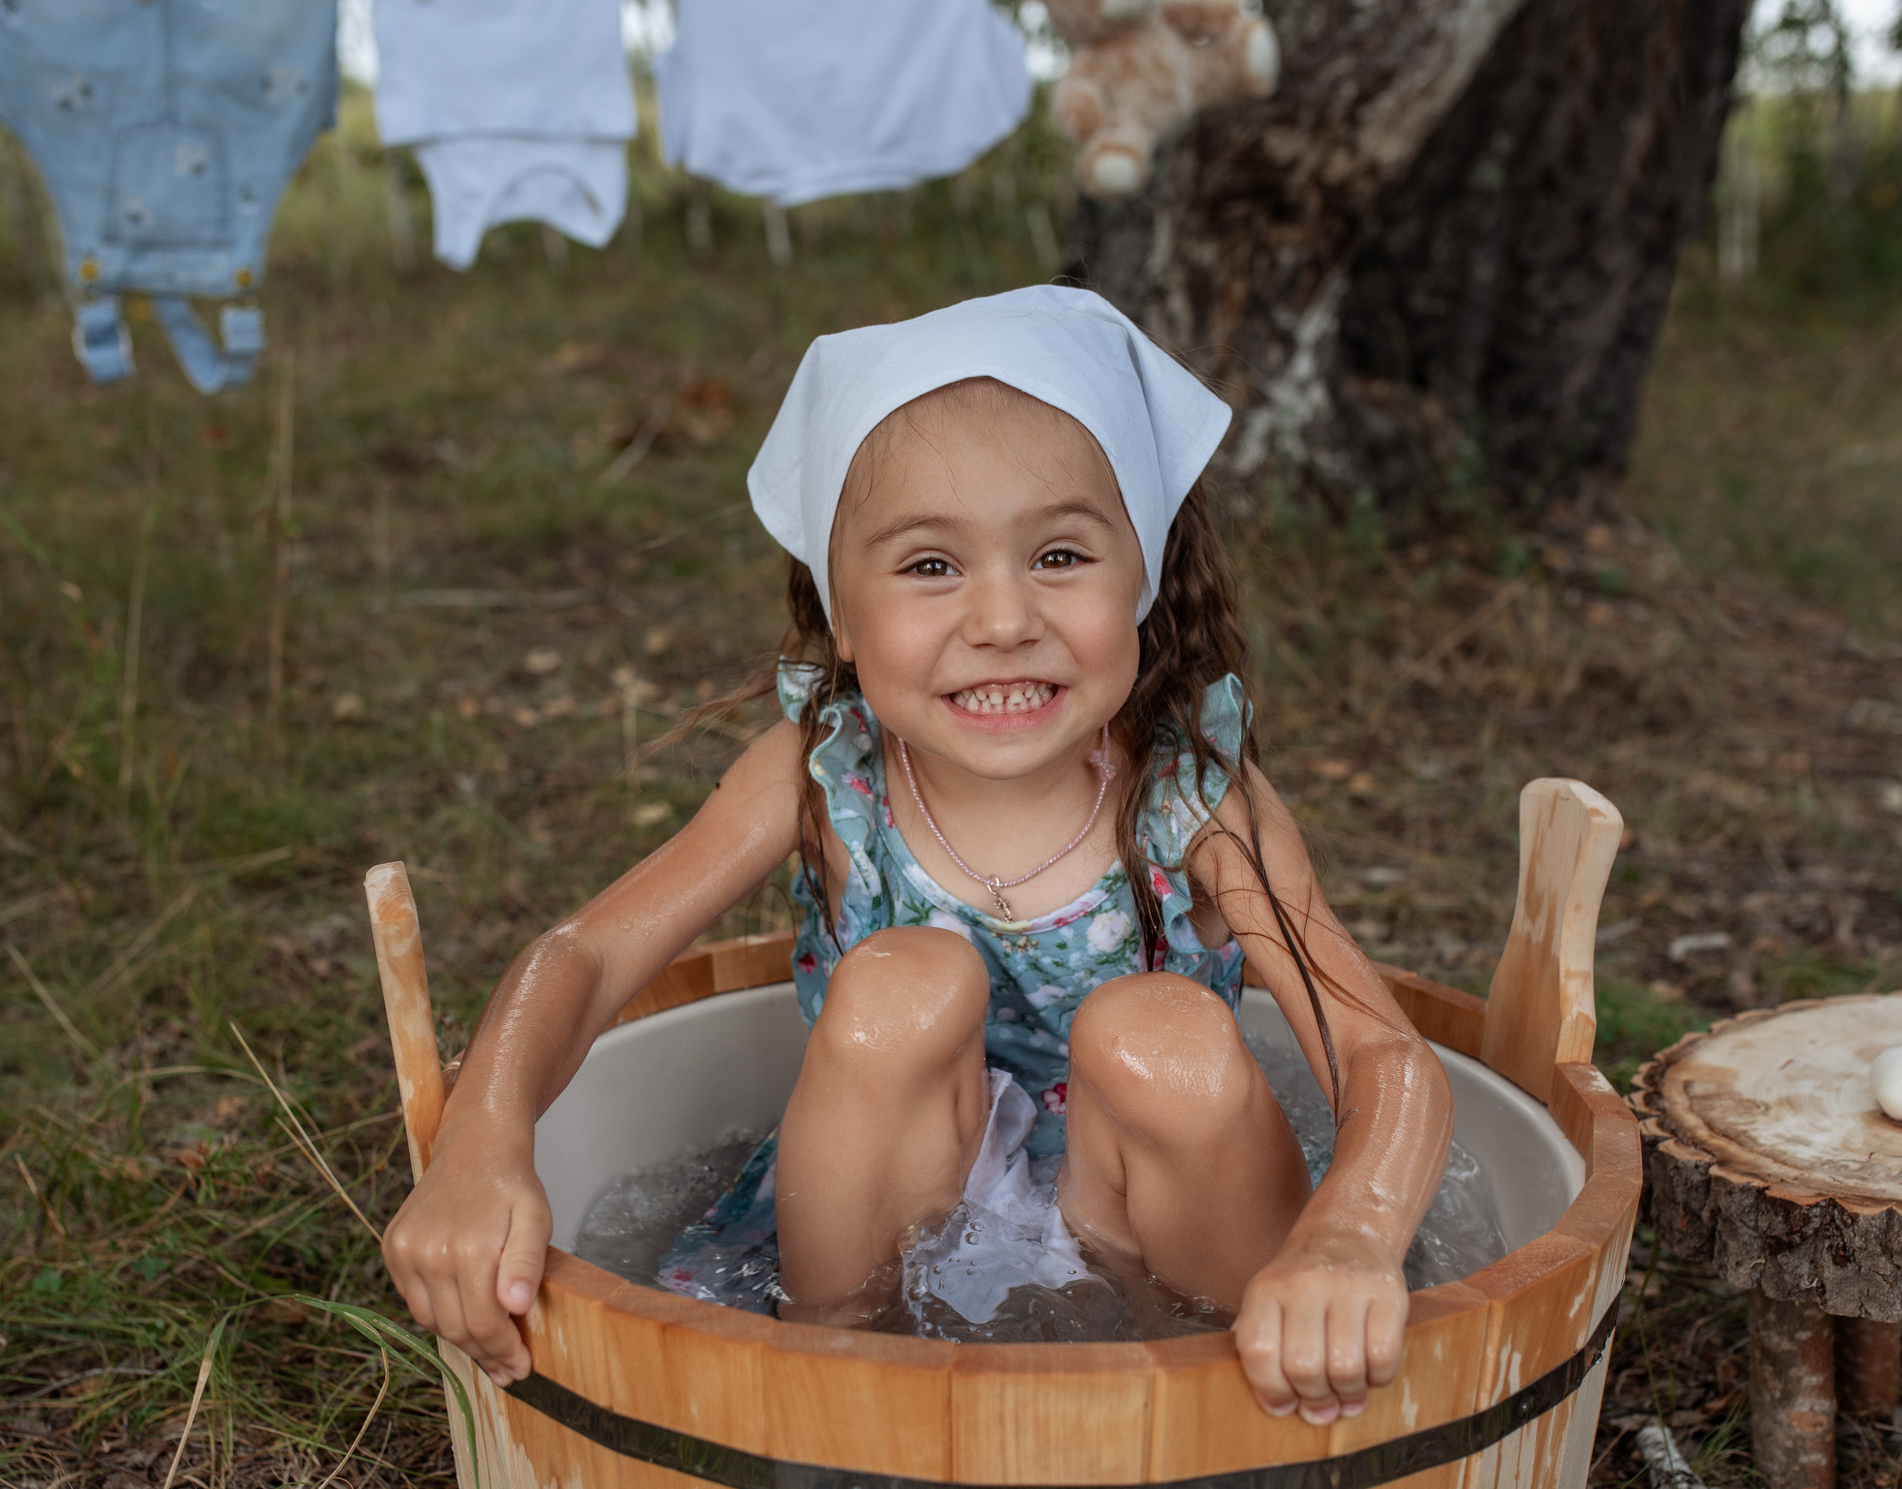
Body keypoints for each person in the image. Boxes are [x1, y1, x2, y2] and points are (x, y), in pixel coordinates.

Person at [381, 285, 1453, 1422]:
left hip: (1156, 1222)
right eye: (929, 566)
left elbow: (1379, 1051)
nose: (1000, 617)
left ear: (1139, 578)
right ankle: (838, 1368)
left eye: (1057, 553)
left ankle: (1229, 1382)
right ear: (839, 611)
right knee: (902, 980)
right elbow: (588, 955)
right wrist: (484, 1139)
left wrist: (1351, 1232)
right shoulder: (824, 773)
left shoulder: (1188, 794)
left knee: (1158, 1033)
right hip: (897, 1212)